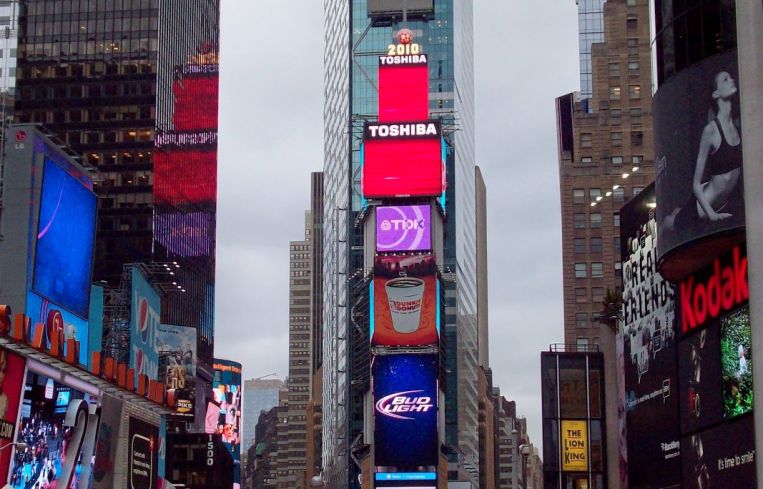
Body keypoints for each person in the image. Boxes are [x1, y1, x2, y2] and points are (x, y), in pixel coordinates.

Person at [663, 70, 742, 230]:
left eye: (730, 77)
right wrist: (712, 214)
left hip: (725, 200)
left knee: (678, 212)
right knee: (670, 223)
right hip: (704, 206)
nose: (732, 80)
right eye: (725, 79)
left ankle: (678, 211)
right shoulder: (711, 130)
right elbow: (696, 184)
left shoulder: (738, 123)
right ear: (716, 93)